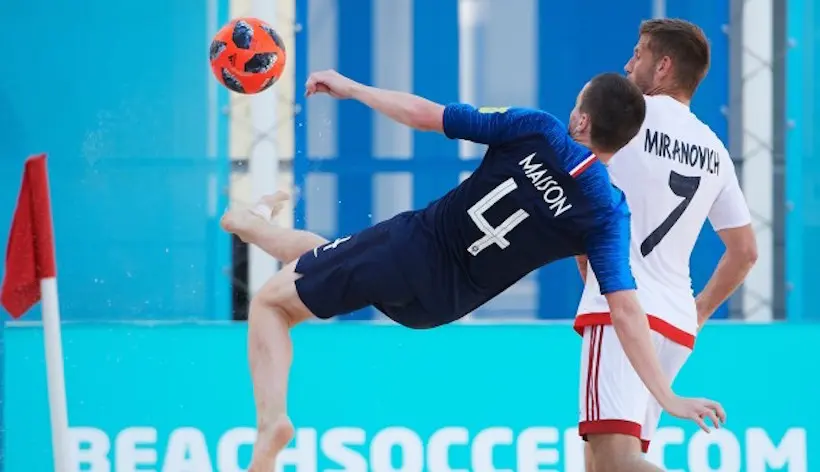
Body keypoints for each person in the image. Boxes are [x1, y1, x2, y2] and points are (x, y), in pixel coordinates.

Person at [221, 69, 726, 472]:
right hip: (442, 306)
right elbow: (625, 310)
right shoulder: (608, 211)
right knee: (331, 258)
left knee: (271, 303)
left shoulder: (538, 129)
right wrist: (667, 395)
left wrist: (354, 89)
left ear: (581, 119)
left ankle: (272, 424)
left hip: (411, 249)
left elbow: (426, 116)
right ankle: (248, 222)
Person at [574, 19, 758, 472]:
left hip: (623, 307)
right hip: (674, 322)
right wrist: (698, 311)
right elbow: (745, 251)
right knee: (607, 464)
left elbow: (577, 189)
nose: (628, 62)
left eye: (638, 54)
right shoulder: (713, 148)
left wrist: (586, 263)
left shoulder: (625, 114)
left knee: (614, 463)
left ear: (663, 67)